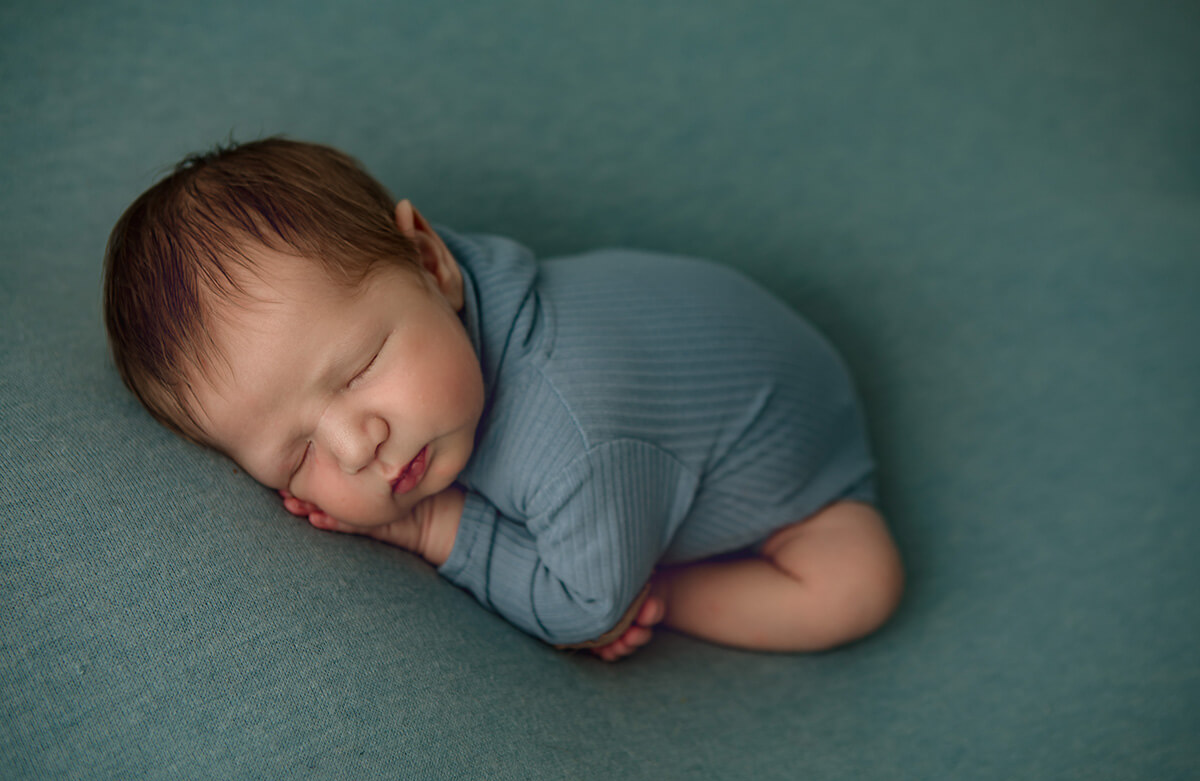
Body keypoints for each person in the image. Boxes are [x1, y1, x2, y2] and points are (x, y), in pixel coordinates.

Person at [104, 137, 904, 661]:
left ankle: (668, 585)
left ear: (431, 260)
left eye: (356, 373)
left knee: (859, 587)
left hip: (801, 458)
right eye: (297, 455)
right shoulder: (433, 312)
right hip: (697, 363)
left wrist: (431, 525)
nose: (357, 445)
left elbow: (582, 609)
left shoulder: (573, 436)